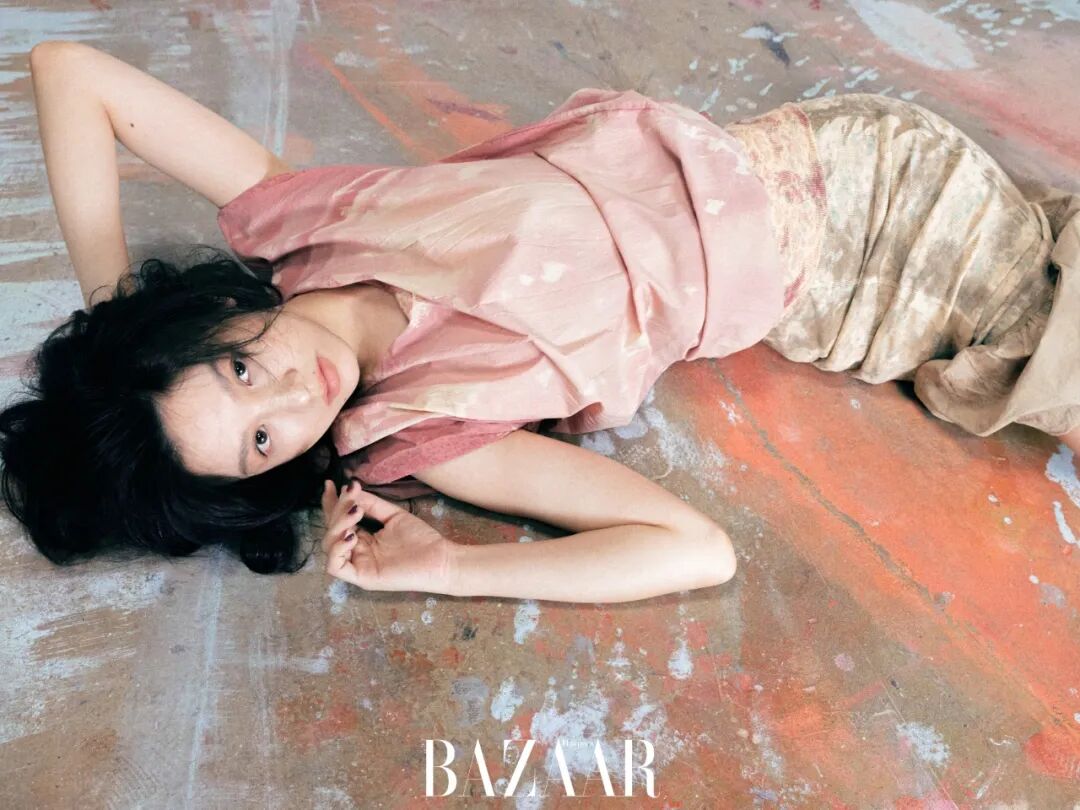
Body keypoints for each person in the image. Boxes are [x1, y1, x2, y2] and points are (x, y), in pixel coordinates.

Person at [3, 41, 1077, 602]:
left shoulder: (304, 222)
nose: (293, 397)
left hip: (862, 156)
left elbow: (70, 72)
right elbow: (692, 550)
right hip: (884, 285)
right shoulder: (427, 428)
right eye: (261, 443)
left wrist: (114, 316)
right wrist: (450, 570)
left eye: (240, 374)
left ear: (210, 327)